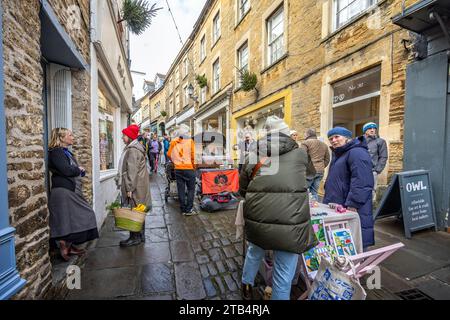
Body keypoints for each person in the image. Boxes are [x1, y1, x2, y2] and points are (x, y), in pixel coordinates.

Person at [239, 116, 317, 300]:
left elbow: (243, 189)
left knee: (254, 252)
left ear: (266, 134)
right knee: (283, 272)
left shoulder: (253, 155)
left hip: (259, 217)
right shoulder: (301, 153)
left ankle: (246, 287)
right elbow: (311, 175)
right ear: (286, 133)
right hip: (291, 221)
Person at [48, 128, 99, 261]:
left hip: (69, 190)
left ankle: (68, 245)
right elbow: (65, 169)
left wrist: (77, 170)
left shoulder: (65, 152)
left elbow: (69, 169)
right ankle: (64, 246)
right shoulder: (56, 152)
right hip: (63, 191)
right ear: (61, 138)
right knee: (77, 216)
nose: (73, 137)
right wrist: (78, 169)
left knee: (69, 219)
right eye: (70, 135)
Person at [323, 127, 374, 251]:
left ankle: (358, 267)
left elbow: (362, 182)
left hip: (351, 206)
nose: (334, 140)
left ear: (347, 138)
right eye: (331, 138)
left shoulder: (356, 152)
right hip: (339, 206)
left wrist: (353, 204)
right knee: (344, 244)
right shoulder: (339, 154)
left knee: (356, 241)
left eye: (337, 137)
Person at [117, 124, 151, 247]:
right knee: (139, 209)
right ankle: (141, 236)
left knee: (134, 209)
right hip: (140, 184)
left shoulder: (132, 150)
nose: (122, 137)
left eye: (124, 135)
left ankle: (134, 237)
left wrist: (129, 188)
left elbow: (132, 170)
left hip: (135, 186)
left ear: (130, 136)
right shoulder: (136, 148)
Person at [168, 124, 198, 216]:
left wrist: (175, 162)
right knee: (191, 189)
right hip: (189, 168)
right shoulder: (190, 141)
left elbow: (169, 154)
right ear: (187, 132)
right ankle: (189, 209)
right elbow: (193, 156)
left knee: (181, 189)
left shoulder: (174, 142)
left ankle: (183, 209)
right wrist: (194, 166)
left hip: (178, 169)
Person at [301, 128, 330, 199]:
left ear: (308, 134)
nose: (303, 135)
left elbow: (301, 156)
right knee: (314, 192)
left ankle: (304, 209)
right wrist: (321, 166)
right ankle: (315, 208)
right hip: (320, 171)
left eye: (304, 133)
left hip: (309, 171)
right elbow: (327, 159)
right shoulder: (324, 145)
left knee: (302, 191)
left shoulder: (305, 143)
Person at [363, 122, 388, 201]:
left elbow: (383, 157)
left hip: (372, 171)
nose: (372, 130)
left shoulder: (380, 141)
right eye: (370, 128)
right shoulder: (359, 141)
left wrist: (377, 170)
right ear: (365, 130)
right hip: (359, 170)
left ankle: (369, 210)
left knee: (371, 192)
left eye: (374, 128)